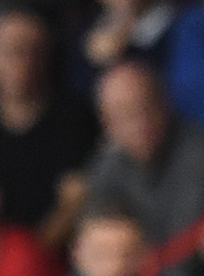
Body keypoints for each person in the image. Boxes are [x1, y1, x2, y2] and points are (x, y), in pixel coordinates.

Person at [0, 11, 96, 244]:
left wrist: (30, 254)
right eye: (10, 51)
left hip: (55, 250)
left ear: (48, 57)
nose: (21, 62)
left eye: (31, 51)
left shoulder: (76, 121)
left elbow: (74, 201)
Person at [82, 62, 204, 263]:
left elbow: (183, 254)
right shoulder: (107, 167)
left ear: (165, 103)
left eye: (147, 107)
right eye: (126, 113)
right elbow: (96, 239)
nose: (141, 122)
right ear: (108, 125)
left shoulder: (197, 156)